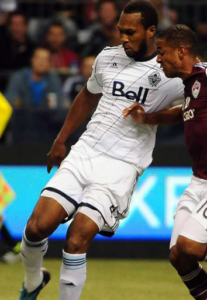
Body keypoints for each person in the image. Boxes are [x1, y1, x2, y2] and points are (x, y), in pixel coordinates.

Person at [19, 2, 184, 300]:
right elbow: (87, 95)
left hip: (122, 165)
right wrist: (61, 139)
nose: (123, 38)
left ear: (150, 31)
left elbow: (196, 98)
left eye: (130, 32)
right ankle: (33, 281)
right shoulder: (107, 57)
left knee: (77, 239)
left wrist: (154, 117)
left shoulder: (171, 69)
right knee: (35, 227)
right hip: (85, 152)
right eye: (120, 31)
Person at [123, 24, 207, 300]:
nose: (158, 58)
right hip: (199, 180)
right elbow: (181, 112)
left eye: (162, 51)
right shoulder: (191, 86)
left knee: (191, 247)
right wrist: (147, 117)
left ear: (181, 51)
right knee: (178, 256)